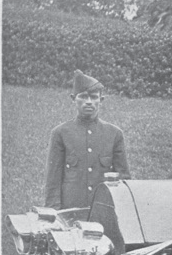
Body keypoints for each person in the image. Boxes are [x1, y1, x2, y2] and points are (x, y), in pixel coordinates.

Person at [44, 71, 131, 213]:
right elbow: (53, 181)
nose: (89, 101)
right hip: (70, 211)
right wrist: (54, 214)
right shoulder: (60, 134)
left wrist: (123, 212)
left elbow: (124, 180)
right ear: (73, 98)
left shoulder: (114, 134)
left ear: (101, 100)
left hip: (104, 211)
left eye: (94, 97)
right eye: (83, 96)